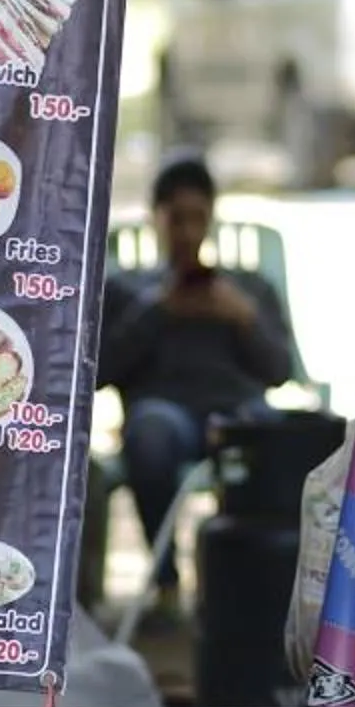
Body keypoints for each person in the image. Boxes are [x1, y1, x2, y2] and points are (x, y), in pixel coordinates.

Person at [98, 157, 297, 595]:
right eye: (176, 219)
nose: (187, 233)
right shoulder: (128, 290)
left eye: (198, 219)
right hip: (165, 413)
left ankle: (256, 587)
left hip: (237, 412)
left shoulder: (248, 288)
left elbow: (280, 371)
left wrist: (243, 318)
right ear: (156, 219)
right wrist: (156, 313)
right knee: (150, 432)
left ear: (211, 219)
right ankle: (166, 581)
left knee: (276, 434)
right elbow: (99, 372)